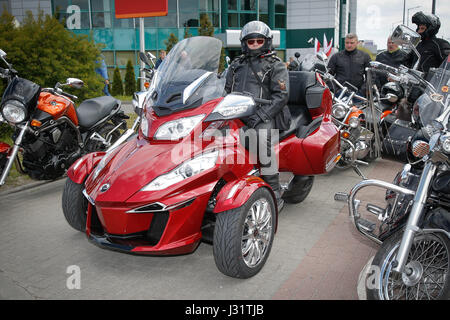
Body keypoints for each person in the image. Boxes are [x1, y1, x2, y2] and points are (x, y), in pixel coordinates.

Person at [224, 21, 290, 205]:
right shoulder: (236, 64)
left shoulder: (275, 65)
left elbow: (281, 96)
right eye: (250, 41)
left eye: (258, 41)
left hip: (265, 113)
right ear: (244, 43)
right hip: (238, 113)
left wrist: (261, 116)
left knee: (260, 141)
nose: (254, 45)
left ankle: (274, 191)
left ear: (266, 42)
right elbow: (225, 90)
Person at [405, 11, 450, 78]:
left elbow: (448, 66)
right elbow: (406, 63)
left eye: (422, 28)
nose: (418, 31)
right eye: (418, 28)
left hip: (431, 86)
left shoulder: (440, 44)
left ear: (430, 28)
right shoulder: (417, 45)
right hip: (413, 84)